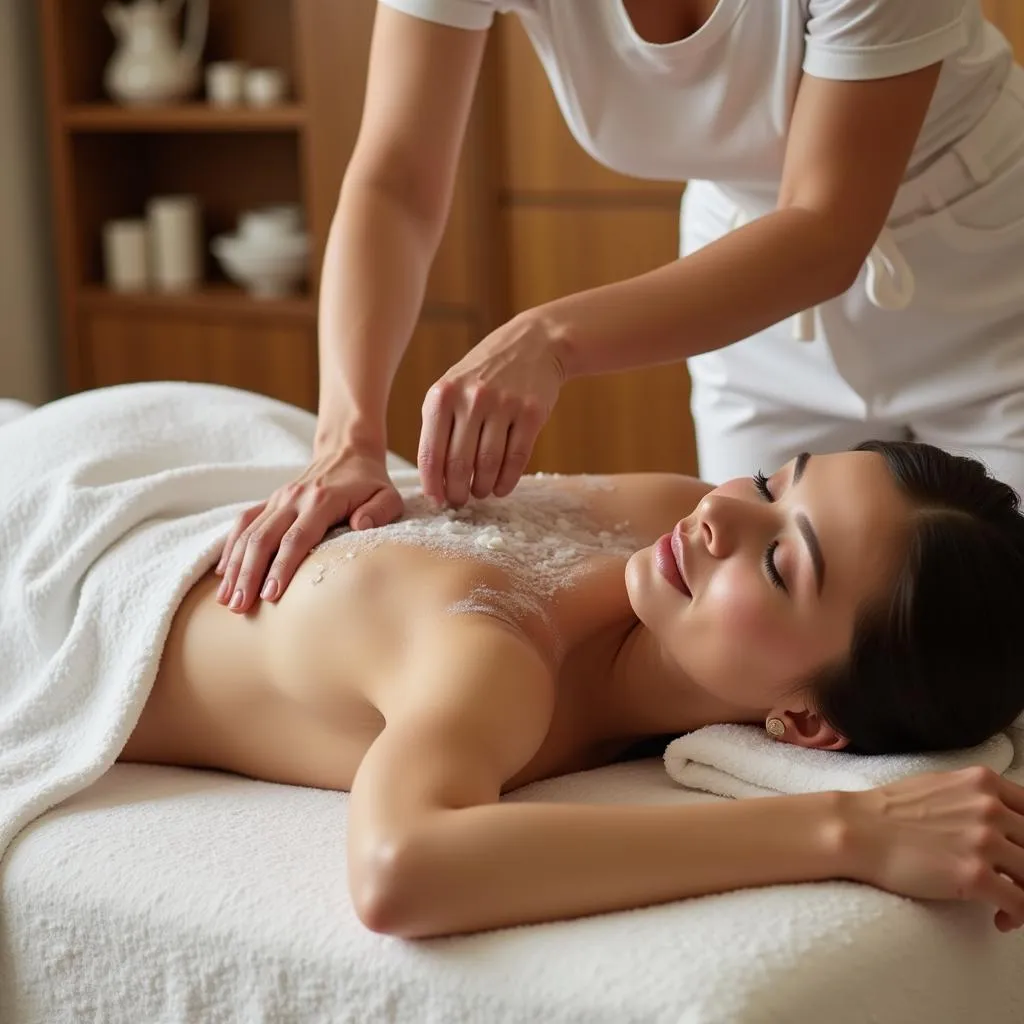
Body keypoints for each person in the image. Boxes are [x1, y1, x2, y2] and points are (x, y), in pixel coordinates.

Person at [214, 0, 1024, 618]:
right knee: (752, 634)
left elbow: (826, 228)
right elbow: (394, 178)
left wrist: (551, 337)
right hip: (747, 284)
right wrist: (345, 437)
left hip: (986, 276)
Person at [118, 416, 1024, 938]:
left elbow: (401, 868)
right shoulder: (667, 512)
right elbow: (399, 871)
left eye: (784, 565)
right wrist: (847, 828)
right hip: (141, 512)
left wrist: (847, 832)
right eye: (770, 483)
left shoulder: (494, 665)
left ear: (811, 723)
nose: (719, 515)